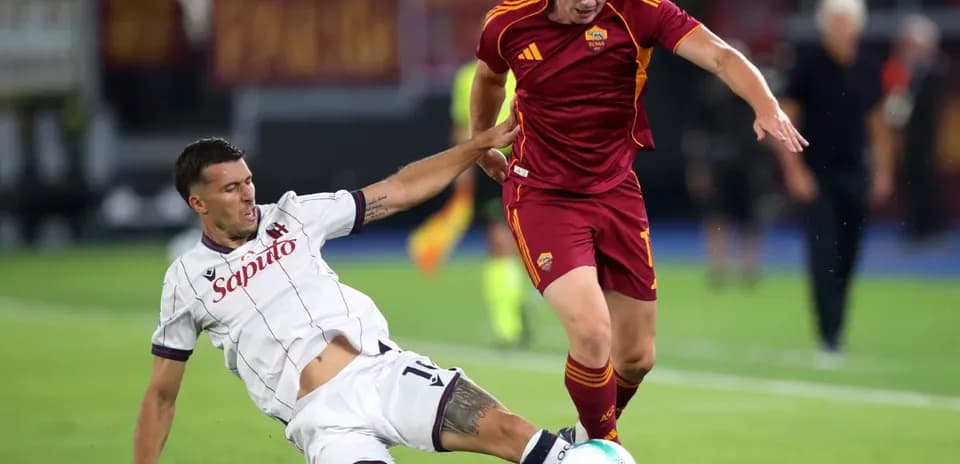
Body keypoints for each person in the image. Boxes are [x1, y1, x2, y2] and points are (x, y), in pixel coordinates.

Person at [133, 123, 577, 464]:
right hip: (322, 422)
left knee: (515, 434)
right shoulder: (187, 279)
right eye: (231, 189)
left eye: (248, 181)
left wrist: (477, 145)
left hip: (383, 373)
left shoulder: (293, 214)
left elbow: (399, 190)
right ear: (199, 204)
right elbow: (162, 395)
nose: (248, 195)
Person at [471, 0, 807, 443]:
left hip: (615, 193)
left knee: (636, 357)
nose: (589, 3)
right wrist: (482, 143)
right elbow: (490, 78)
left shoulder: (640, 11)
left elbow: (721, 56)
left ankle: (582, 440)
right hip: (543, 195)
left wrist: (766, 104)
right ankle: (604, 447)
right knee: (592, 333)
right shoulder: (508, 23)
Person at [776, 0, 893, 365]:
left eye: (847, 22)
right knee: (824, 255)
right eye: (835, 22)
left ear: (857, 26)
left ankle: (837, 328)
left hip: (855, 173)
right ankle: (829, 335)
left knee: (849, 254)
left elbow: (878, 123)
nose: (842, 29)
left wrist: (884, 171)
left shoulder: (868, 67)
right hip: (818, 176)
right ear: (825, 26)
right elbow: (786, 118)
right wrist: (795, 171)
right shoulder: (808, 66)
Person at [683, 39, 774, 287]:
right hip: (718, 165)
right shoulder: (708, 94)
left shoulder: (757, 92)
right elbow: (696, 134)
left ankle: (749, 268)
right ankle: (717, 267)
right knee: (716, 216)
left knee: (751, 219)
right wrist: (698, 167)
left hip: (749, 163)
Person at [883, 14, 949, 244]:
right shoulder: (903, 70)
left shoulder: (936, 70)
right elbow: (896, 103)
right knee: (911, 182)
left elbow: (931, 105)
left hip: (929, 137)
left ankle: (929, 228)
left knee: (927, 183)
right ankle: (914, 227)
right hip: (909, 139)